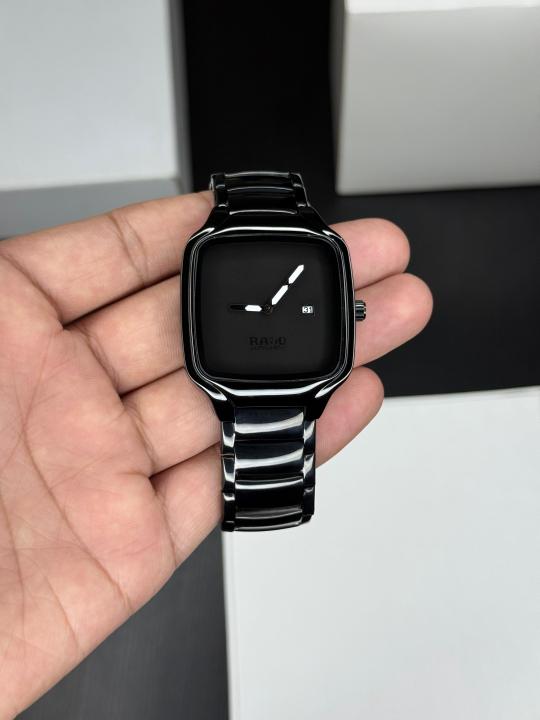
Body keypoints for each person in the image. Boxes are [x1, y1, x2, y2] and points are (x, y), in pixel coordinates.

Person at [0, 190, 432, 716]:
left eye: (277, 305)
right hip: (236, 383)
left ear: (350, 311)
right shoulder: (254, 270)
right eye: (261, 309)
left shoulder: (315, 264)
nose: (267, 311)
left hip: (296, 382)